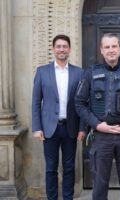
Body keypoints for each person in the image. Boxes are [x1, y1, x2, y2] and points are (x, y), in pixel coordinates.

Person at [75, 33, 120, 200]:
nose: (111, 50)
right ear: (101, 50)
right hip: (101, 136)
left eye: (114, 46)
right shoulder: (91, 73)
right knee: (99, 186)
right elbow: (79, 103)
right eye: (107, 47)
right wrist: (97, 124)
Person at [32, 34, 86, 200]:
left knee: (69, 167)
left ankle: (68, 197)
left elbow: (84, 103)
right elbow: (35, 102)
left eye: (65, 46)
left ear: (69, 49)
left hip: (71, 127)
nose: (62, 49)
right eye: (58, 46)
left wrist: (82, 127)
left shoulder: (79, 73)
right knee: (51, 168)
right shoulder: (42, 72)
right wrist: (37, 127)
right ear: (53, 49)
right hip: (49, 129)